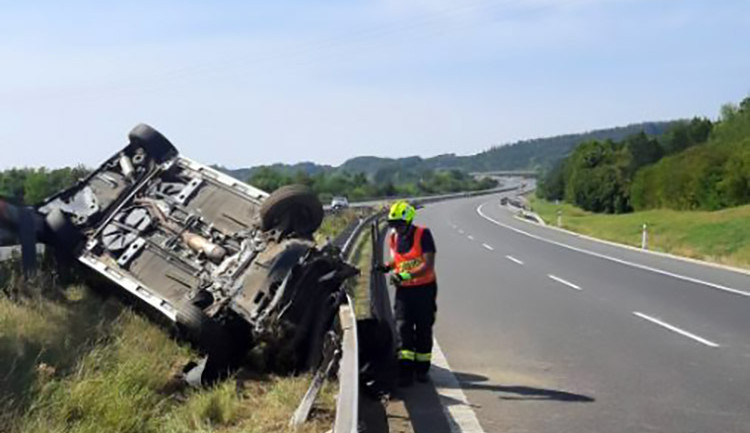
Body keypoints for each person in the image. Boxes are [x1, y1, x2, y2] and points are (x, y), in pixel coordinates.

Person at [377, 200, 437, 386]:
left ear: (409, 222)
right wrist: (387, 267)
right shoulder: (394, 238)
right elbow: (399, 260)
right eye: (393, 225)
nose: (396, 229)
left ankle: (422, 370)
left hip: (424, 290)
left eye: (399, 225)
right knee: (403, 328)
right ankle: (405, 371)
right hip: (404, 292)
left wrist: (403, 276)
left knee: (423, 329)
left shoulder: (423, 234)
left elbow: (427, 265)